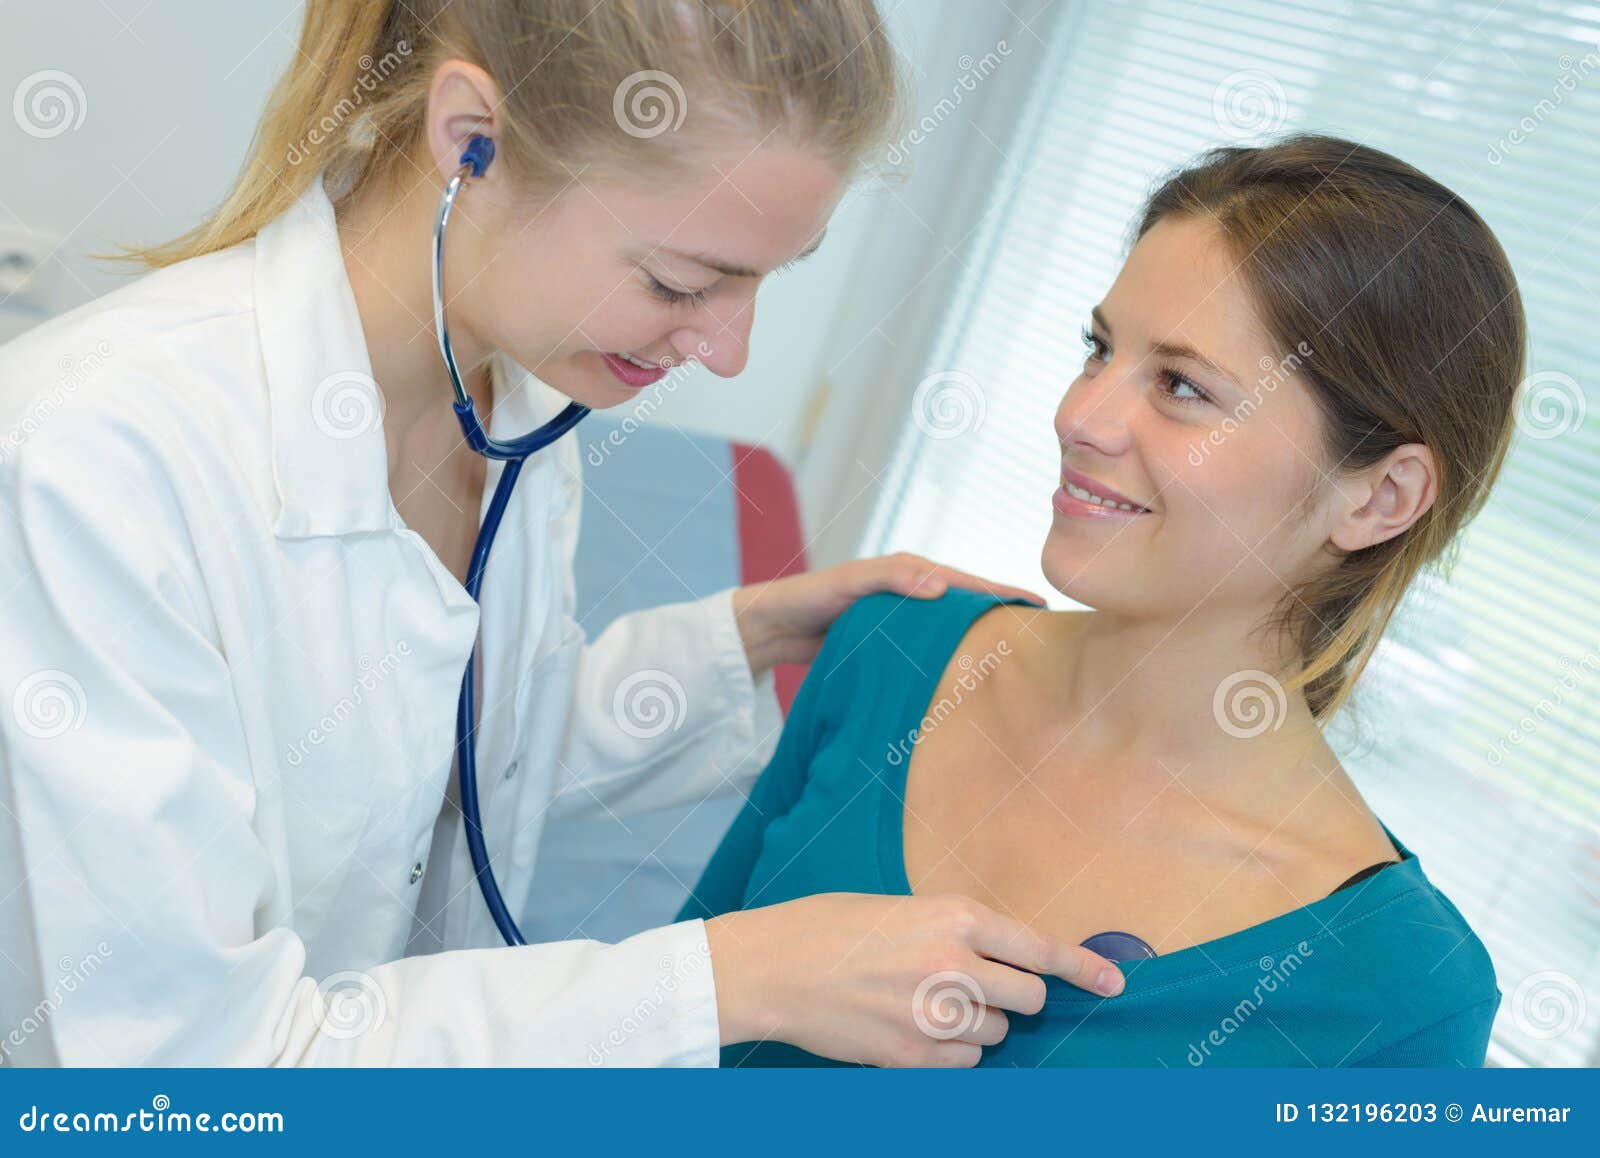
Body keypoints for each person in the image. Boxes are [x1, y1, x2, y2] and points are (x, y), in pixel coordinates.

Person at [0, 0, 1127, 1068]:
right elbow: (178, 1075)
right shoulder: (94, 462)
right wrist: (727, 981)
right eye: (681, 278)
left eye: (764, 282)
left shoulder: (519, 402)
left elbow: (443, 767)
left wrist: (744, 637)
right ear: (471, 141)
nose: (725, 349)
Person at [682, 135, 1519, 1067]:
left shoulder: (1399, 992)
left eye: (1181, 386)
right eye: (1099, 349)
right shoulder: (893, 649)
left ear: (1379, 498)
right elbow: (655, 1042)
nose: (1078, 418)